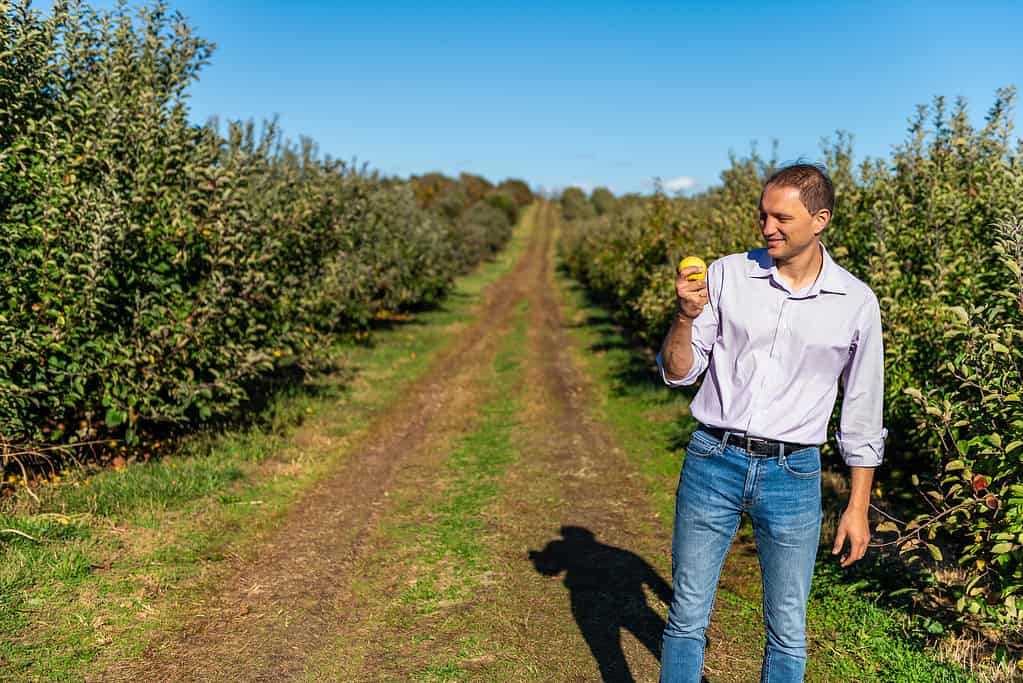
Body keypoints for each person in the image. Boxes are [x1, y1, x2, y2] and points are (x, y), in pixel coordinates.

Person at [656, 162, 886, 683]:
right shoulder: (727, 275)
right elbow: (679, 371)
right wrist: (686, 317)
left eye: (782, 217)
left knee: (787, 626)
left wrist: (857, 507)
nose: (767, 228)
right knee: (687, 615)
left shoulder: (856, 302)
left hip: (794, 473)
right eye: (762, 215)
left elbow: (863, 412)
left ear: (820, 219)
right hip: (712, 459)